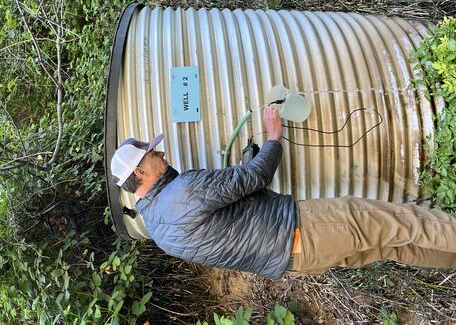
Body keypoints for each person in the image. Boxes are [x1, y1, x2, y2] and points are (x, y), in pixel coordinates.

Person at [110, 107, 456, 279]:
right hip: (311, 229)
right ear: (141, 171)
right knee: (408, 221)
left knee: (394, 245)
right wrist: (273, 135)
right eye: (154, 155)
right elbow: (257, 177)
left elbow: (234, 224)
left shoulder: (159, 232)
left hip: (298, 261)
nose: (162, 155)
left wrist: (244, 167)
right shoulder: (182, 191)